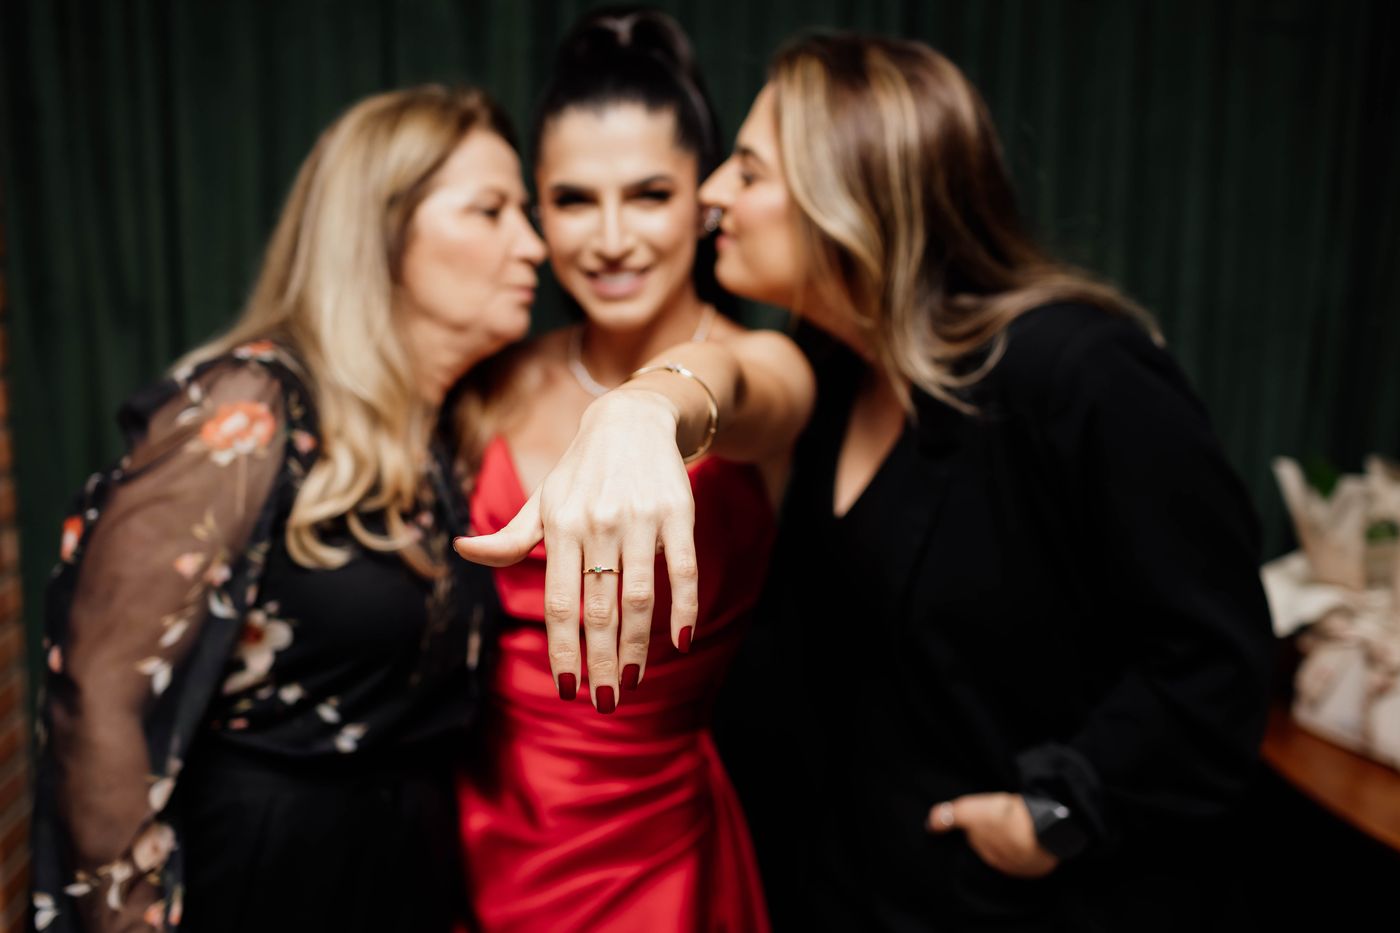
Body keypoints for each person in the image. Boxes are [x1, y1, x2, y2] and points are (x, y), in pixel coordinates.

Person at [468, 32, 1276, 933]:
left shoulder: (1078, 368)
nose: (714, 192)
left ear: (847, 191)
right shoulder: (839, 368)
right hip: (860, 889)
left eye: (748, 169)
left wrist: (1058, 808)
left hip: (1041, 902)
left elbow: (1220, 656)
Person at [31, 85, 547, 932]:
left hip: (404, 871)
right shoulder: (249, 406)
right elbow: (100, 699)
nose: (533, 245)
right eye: (491, 211)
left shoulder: (436, 433)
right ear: (380, 231)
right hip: (265, 878)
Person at [450, 9, 809, 932]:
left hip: (657, 858)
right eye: (575, 200)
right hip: (476, 835)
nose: (611, 238)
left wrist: (648, 405)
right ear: (538, 211)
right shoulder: (495, 380)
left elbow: (739, 388)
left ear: (703, 200)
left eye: (650, 195)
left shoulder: (763, 364)